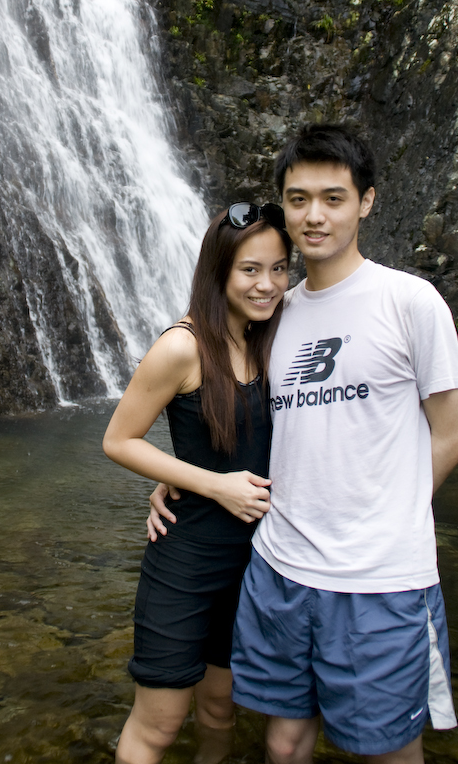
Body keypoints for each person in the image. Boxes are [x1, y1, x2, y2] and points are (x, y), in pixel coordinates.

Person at [151, 123, 458, 764]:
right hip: (280, 569)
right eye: (298, 199)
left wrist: (385, 513)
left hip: (380, 579)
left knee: (388, 750)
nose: (314, 216)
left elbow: (454, 433)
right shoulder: (273, 315)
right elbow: (251, 418)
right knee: (284, 741)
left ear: (366, 202)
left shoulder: (410, 302)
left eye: (333, 198)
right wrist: (184, 474)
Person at [102, 203, 292, 764]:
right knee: (160, 724)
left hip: (256, 562)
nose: (266, 284)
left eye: (279, 269)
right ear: (219, 271)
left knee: (219, 708)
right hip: (187, 563)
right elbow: (119, 439)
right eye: (250, 269)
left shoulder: (270, 338)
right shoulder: (182, 347)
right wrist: (211, 484)